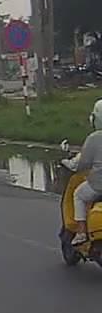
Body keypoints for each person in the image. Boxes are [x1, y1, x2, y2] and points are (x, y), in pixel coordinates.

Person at [64, 99, 102, 245]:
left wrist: (67, 162)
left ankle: (81, 232)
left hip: (98, 186)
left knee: (78, 195)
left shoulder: (94, 138)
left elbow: (82, 164)